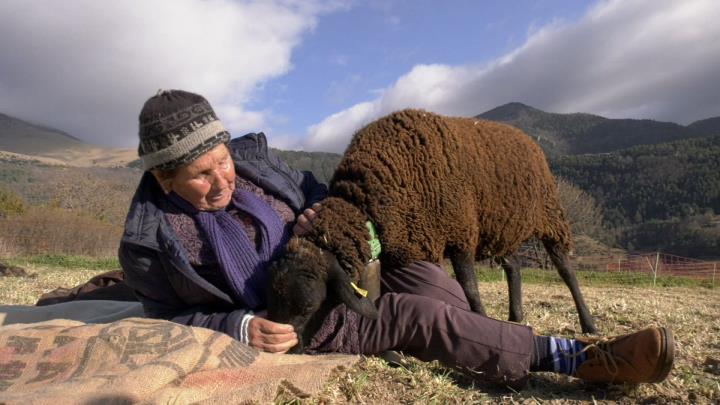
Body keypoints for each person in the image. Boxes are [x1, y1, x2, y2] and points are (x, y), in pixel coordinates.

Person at [120, 89, 674, 389]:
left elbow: (322, 190)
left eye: (222, 161)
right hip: (299, 314)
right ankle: (578, 360)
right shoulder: (151, 241)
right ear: (165, 178)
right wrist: (237, 323)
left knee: (435, 287)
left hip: (343, 267)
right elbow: (164, 319)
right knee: (421, 319)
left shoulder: (257, 166)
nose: (223, 179)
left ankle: (483, 342)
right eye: (201, 175)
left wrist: (322, 215)